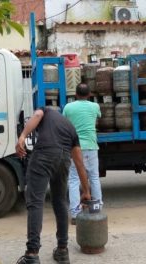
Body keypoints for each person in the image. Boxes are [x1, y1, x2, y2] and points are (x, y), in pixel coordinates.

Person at [15, 107, 91, 264]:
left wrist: (22, 136)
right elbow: (79, 162)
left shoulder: (45, 111)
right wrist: (86, 191)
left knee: (35, 202)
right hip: (63, 159)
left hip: (43, 155)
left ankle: (32, 254)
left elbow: (37, 114)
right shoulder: (70, 127)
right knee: (60, 201)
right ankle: (62, 251)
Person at [62, 83, 103, 224]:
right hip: (91, 145)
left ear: (76, 94)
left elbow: (65, 123)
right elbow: (99, 118)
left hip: (74, 147)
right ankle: (97, 208)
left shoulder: (68, 107)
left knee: (73, 179)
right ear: (89, 94)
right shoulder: (95, 106)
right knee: (94, 177)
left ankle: (75, 213)